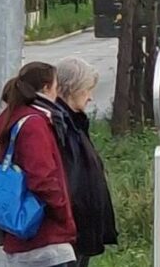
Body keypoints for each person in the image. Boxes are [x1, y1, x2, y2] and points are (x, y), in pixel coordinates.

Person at [0, 62, 77, 267]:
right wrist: (63, 212)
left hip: (24, 238)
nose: (57, 94)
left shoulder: (16, 119)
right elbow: (41, 178)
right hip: (44, 238)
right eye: (56, 88)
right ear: (46, 88)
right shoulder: (34, 124)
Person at [54, 57, 118, 266]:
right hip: (71, 229)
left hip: (80, 227)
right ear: (73, 88)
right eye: (88, 89)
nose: (90, 97)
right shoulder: (60, 123)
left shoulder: (74, 121)